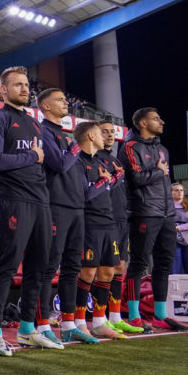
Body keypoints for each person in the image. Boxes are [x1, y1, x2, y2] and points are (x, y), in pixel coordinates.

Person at [0, 66, 54, 355]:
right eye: (18, 85)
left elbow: (41, 164)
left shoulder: (35, 124)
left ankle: (26, 330)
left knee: (39, 267)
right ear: (3, 90)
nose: (25, 89)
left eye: (26, 85)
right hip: (12, 199)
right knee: (8, 267)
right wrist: (31, 156)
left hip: (40, 201)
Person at [67, 121, 139, 342]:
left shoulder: (102, 161)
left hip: (109, 222)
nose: (106, 137)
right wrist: (104, 181)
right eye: (101, 133)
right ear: (90, 136)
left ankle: (99, 321)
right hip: (90, 222)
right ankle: (79, 322)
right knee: (87, 272)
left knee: (108, 271)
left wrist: (113, 178)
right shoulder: (76, 162)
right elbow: (84, 194)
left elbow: (104, 188)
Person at [121, 108, 188, 331]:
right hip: (144, 212)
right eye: (156, 118)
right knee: (139, 264)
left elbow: (162, 180)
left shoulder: (162, 149)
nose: (162, 121)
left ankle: (160, 315)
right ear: (142, 123)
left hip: (167, 214)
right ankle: (133, 315)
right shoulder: (130, 147)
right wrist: (159, 172)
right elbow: (137, 178)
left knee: (164, 265)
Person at [34, 88, 83, 348]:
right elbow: (59, 164)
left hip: (76, 208)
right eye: (60, 99)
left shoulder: (64, 136)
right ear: (45, 106)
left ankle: (68, 324)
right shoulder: (44, 132)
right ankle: (42, 325)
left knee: (72, 269)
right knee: (48, 267)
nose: (66, 102)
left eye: (66, 98)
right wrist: (76, 146)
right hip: (55, 206)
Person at [97, 121, 150, 332]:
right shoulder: (93, 159)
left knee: (120, 267)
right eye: (105, 132)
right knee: (105, 270)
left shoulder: (115, 160)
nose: (110, 136)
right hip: (105, 220)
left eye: (112, 132)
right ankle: (99, 318)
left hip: (122, 219)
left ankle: (116, 316)